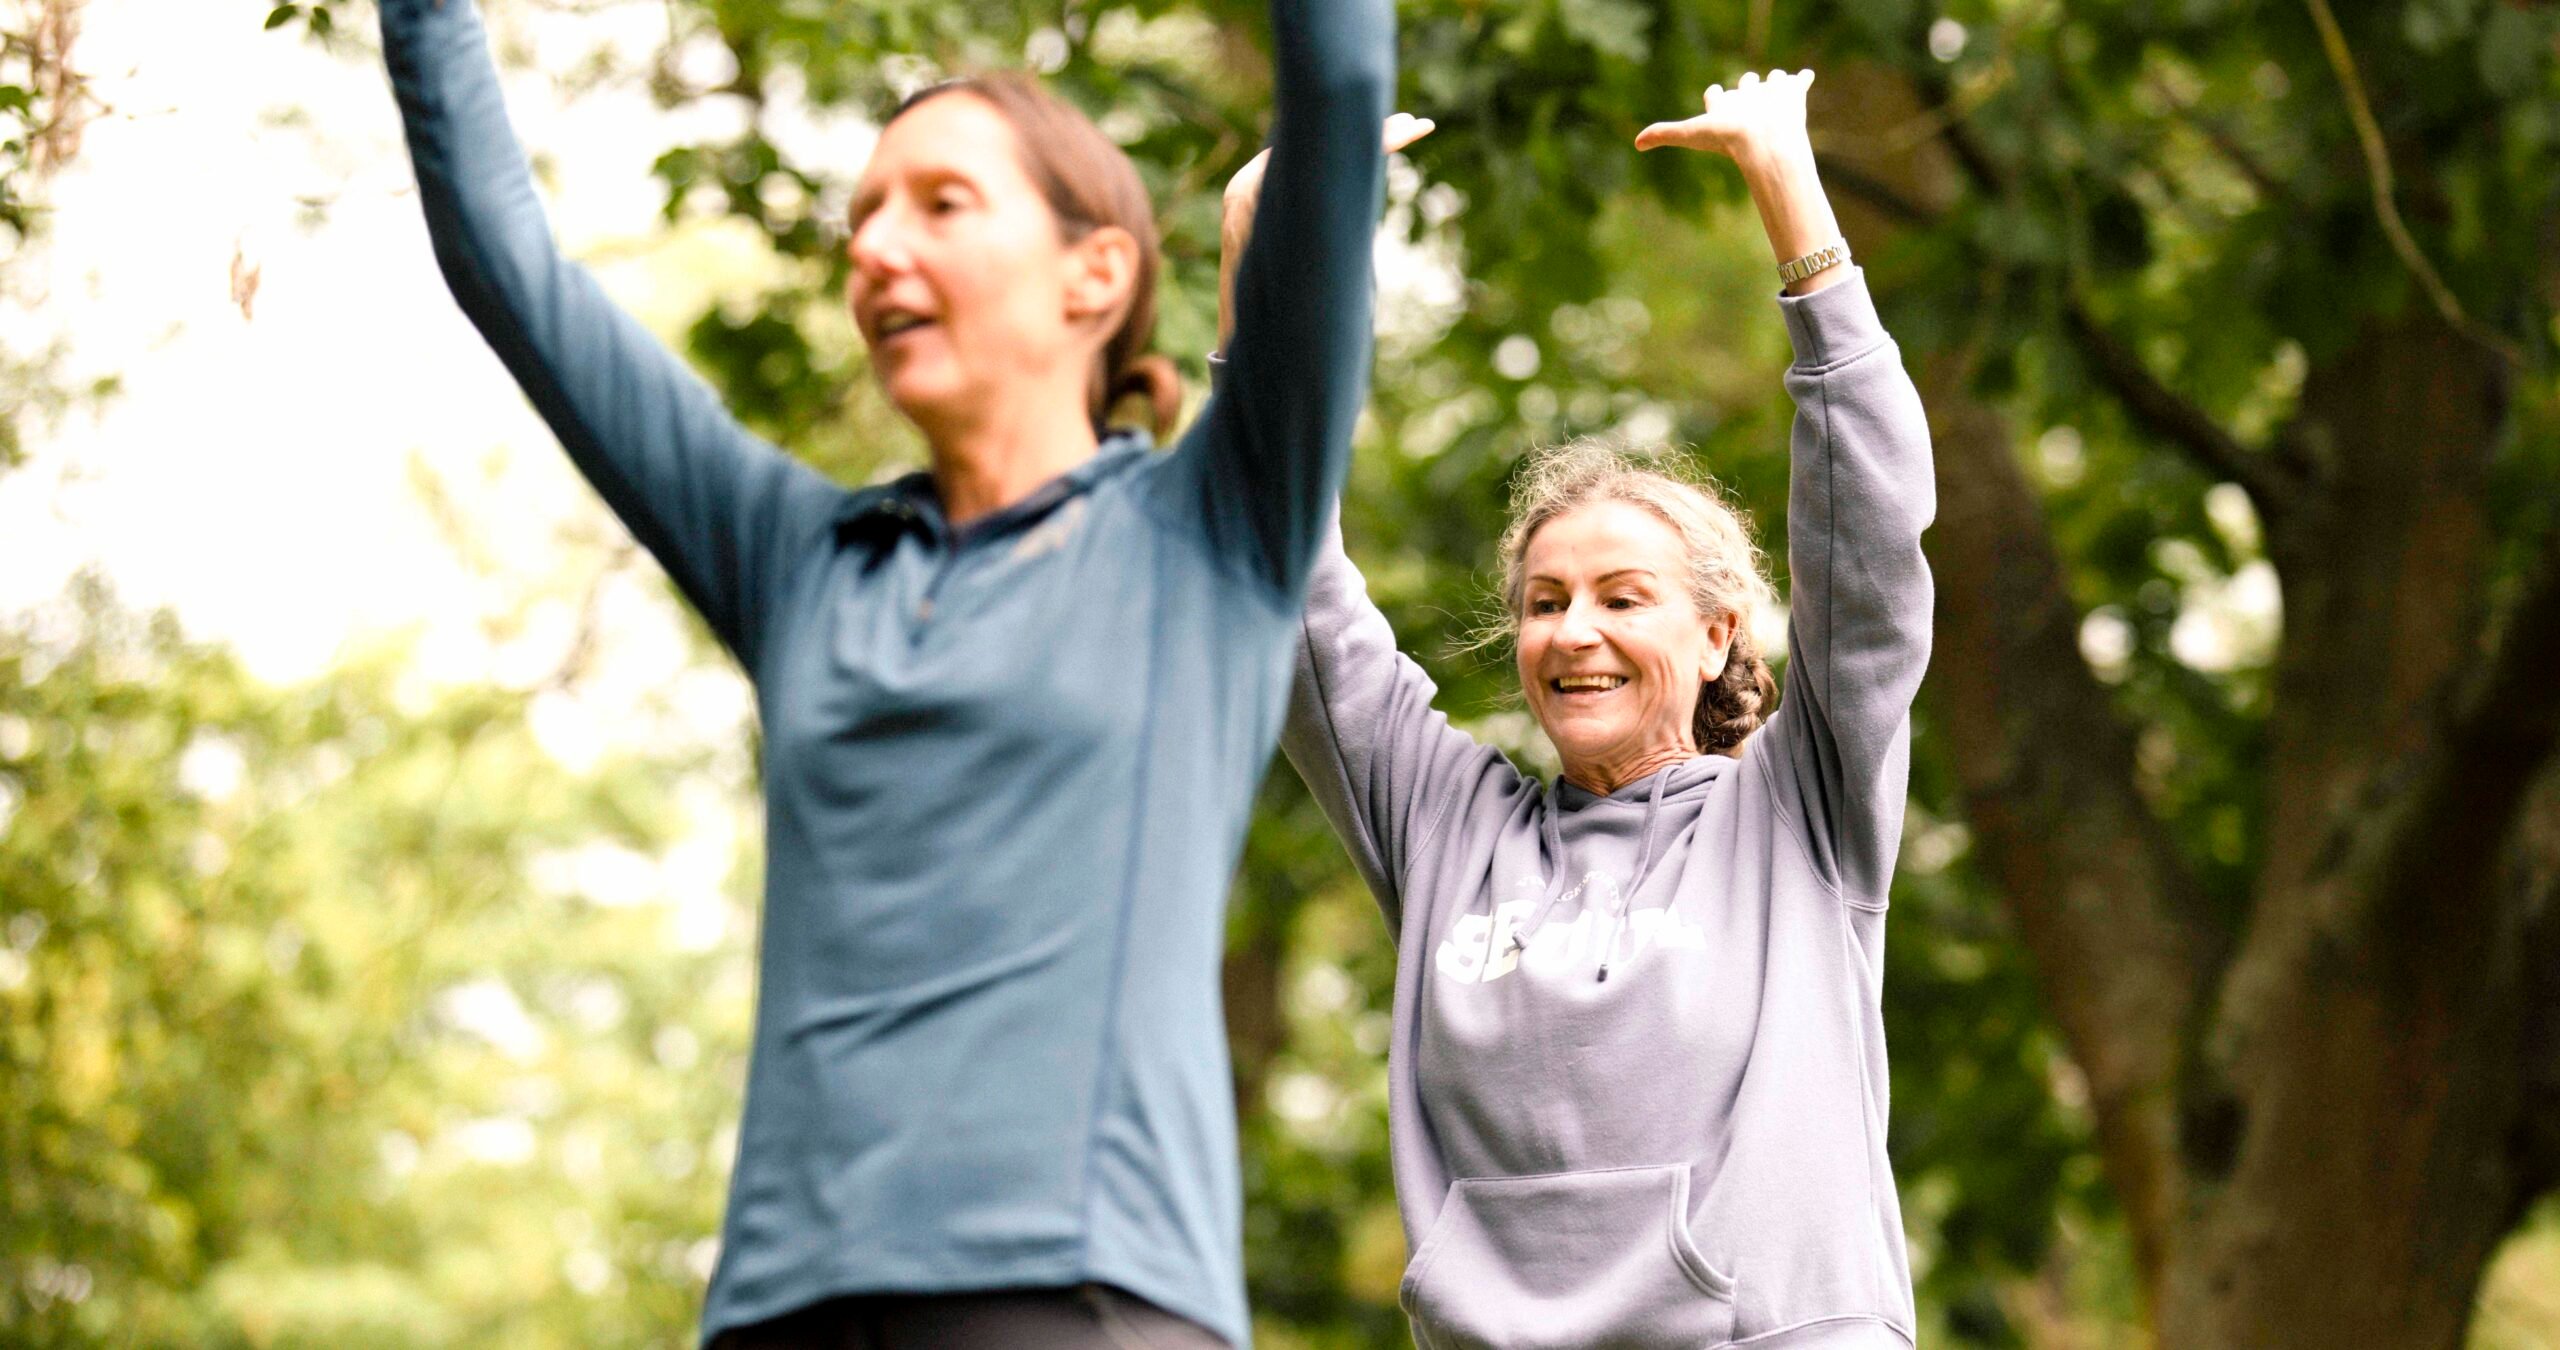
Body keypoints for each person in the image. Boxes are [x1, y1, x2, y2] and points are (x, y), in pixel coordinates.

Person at [373, 0, 1392, 1343]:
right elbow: (508, 263)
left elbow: (1341, 81)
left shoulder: (1216, 529)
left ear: (1093, 275)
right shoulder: (802, 563)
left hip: (1081, 1291)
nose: (877, 247)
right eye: (864, 217)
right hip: (783, 1304)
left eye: (942, 203)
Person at [1221, 71, 1934, 1347]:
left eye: (1622, 596)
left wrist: (1791, 200)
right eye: (1545, 602)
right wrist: (1259, 276)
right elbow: (1286, 591)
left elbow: (1870, 550)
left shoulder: (1798, 812)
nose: (1575, 632)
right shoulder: (1448, 828)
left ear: (1719, 635)